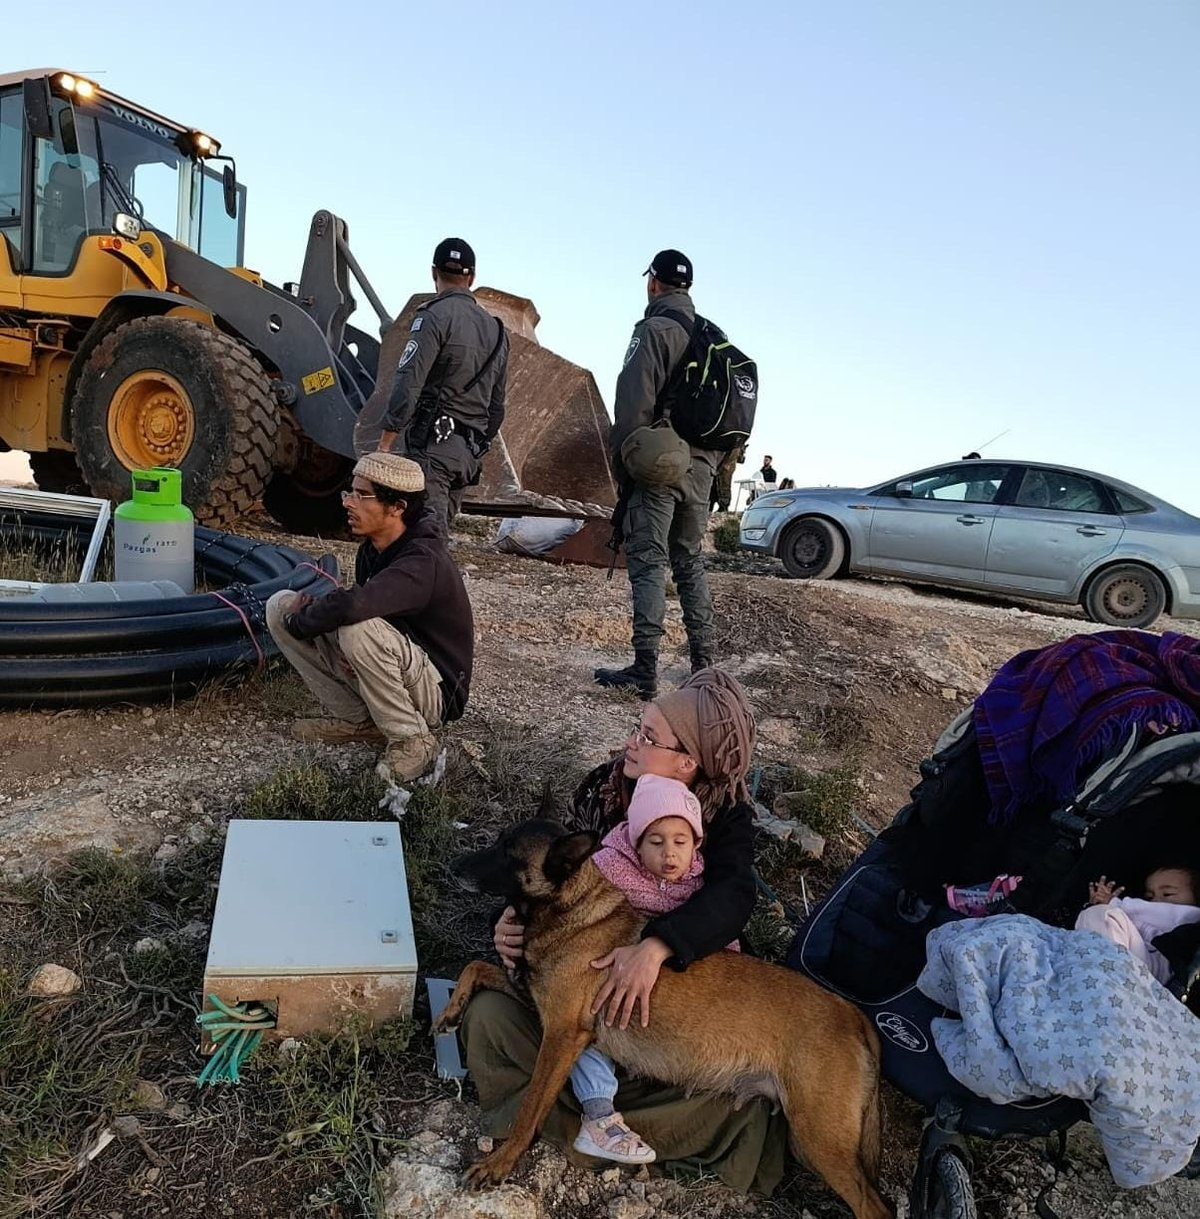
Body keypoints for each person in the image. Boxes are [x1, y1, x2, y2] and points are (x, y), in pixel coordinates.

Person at [458, 670, 792, 1195]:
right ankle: (598, 1117)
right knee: (489, 1018)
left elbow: (733, 898)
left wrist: (657, 946)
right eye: (638, 727)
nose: (630, 742)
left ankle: (592, 1118)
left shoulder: (726, 818)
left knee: (717, 1090)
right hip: (586, 991)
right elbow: (551, 880)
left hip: (672, 1008)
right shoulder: (605, 788)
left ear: (686, 763)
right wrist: (507, 924)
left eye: (648, 737)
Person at [265, 452, 473, 782]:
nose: (349, 502)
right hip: (401, 663)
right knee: (279, 605)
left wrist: (301, 622)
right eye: (350, 492)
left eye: (362, 495)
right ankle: (361, 721)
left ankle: (413, 739)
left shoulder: (422, 559)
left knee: (354, 629)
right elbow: (366, 609)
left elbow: (354, 607)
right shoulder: (372, 549)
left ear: (397, 507)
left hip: (435, 693)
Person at [569, 773, 739, 1165]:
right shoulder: (609, 868)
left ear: (696, 844)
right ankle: (598, 1115)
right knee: (583, 1029)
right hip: (607, 980)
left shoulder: (698, 886)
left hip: (662, 1001)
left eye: (680, 842)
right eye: (656, 842)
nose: (669, 855)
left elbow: (719, 938)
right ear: (636, 843)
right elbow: (568, 898)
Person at [595, 250, 719, 698]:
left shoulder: (653, 330)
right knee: (688, 560)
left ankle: (645, 669)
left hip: (662, 463)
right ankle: (704, 666)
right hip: (703, 468)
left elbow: (633, 404)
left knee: (648, 561)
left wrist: (623, 465)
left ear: (653, 282)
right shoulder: (713, 335)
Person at [376, 238, 509, 531]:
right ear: (471, 278)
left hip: (432, 448)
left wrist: (386, 442)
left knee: (424, 537)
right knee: (436, 537)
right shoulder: (498, 332)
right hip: (467, 453)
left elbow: (409, 381)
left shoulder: (433, 316)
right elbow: (497, 407)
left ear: (434, 272)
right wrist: (476, 444)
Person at [1076, 867, 1200, 984]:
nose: (1155, 901)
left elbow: (1151, 912)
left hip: (1155, 968)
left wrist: (1115, 903)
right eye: (1149, 897)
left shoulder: (1191, 914)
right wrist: (1096, 905)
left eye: (1167, 894)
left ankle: (1107, 975)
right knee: (1095, 914)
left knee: (1105, 914)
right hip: (1133, 959)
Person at [709, 444, 746, 514]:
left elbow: (737, 454)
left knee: (724, 485)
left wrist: (727, 463)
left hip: (726, 466)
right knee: (715, 485)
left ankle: (723, 506)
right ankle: (714, 505)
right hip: (720, 464)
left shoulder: (737, 443)